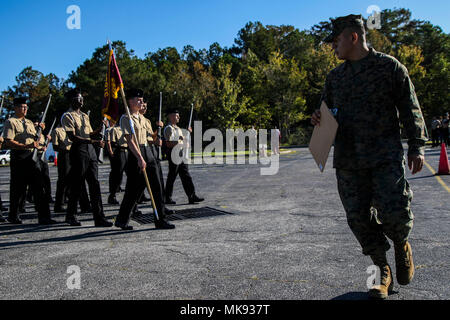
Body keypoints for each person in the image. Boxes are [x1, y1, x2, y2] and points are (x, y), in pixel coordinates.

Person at [312, 14, 427, 299]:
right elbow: (325, 110)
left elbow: (410, 108)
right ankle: (381, 272)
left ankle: (401, 245)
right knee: (358, 219)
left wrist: (417, 145)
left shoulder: (388, 67)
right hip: (349, 161)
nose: (333, 48)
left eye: (336, 41)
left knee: (395, 214)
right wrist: (318, 117)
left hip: (384, 156)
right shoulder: (335, 77)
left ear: (353, 37)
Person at [114, 88, 175, 230]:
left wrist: (157, 136)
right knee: (132, 191)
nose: (141, 101)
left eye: (142, 99)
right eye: (138, 99)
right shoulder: (126, 118)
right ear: (130, 101)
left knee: (157, 188)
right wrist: (140, 158)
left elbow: (150, 138)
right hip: (136, 154)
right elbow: (130, 141)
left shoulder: (143, 119)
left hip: (149, 152)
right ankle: (122, 220)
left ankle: (160, 220)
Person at [61, 89, 112, 227]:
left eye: (82, 98)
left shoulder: (84, 116)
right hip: (78, 151)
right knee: (77, 185)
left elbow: (89, 134)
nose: (81, 101)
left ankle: (99, 217)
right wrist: (93, 142)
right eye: (78, 98)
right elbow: (73, 137)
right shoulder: (67, 116)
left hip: (90, 151)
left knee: (94, 184)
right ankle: (71, 215)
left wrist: (101, 127)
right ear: (72, 100)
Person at [2, 97, 57, 225]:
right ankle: (13, 216)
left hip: (33, 156)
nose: (25, 109)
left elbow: (37, 139)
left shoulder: (30, 123)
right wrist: (25, 146)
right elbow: (8, 141)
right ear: (16, 108)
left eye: (26, 107)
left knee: (40, 187)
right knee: (18, 189)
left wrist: (41, 130)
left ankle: (44, 217)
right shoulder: (11, 122)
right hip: (19, 156)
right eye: (22, 107)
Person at [164, 109, 204, 205]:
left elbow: (183, 141)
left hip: (181, 153)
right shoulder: (168, 128)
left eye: (178, 116)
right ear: (170, 116)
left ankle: (192, 196)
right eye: (176, 116)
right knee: (172, 176)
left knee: (186, 176)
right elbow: (168, 144)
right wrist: (180, 140)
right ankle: (167, 197)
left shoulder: (178, 128)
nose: (178, 117)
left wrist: (186, 138)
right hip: (173, 153)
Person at [107, 122, 128, 205]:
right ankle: (112, 195)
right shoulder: (114, 129)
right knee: (117, 175)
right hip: (120, 152)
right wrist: (112, 154)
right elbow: (112, 143)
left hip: (128, 151)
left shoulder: (128, 127)